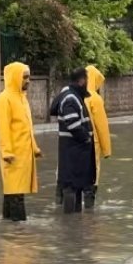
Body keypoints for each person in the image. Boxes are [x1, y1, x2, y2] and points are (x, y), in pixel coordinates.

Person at [0, 62, 40, 222]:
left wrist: (34, 147)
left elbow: (27, 127)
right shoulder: (4, 100)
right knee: (16, 194)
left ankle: (8, 226)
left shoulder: (22, 98)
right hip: (13, 156)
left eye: (28, 77)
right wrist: (6, 152)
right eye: (24, 77)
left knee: (12, 192)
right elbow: (3, 129)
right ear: (15, 77)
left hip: (24, 155)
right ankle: (19, 233)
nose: (28, 80)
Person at [50, 69, 96, 213]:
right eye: (86, 80)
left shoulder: (73, 95)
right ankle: (70, 224)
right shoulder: (71, 98)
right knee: (71, 185)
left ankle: (75, 225)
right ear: (81, 80)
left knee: (76, 184)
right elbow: (73, 124)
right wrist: (86, 137)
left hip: (75, 150)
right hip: (74, 150)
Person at [84, 65, 113, 208]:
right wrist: (107, 150)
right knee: (92, 176)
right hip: (92, 144)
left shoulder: (76, 95)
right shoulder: (95, 99)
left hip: (77, 143)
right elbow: (102, 127)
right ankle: (89, 208)